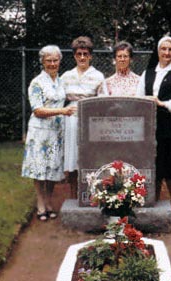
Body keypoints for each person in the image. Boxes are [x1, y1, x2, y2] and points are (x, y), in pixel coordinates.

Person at [137, 36, 171, 221]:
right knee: (154, 166)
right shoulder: (148, 73)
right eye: (163, 49)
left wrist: (161, 103)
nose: (167, 53)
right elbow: (139, 98)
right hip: (151, 126)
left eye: (170, 50)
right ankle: (155, 202)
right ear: (158, 51)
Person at [22, 45, 75, 221]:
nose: (52, 63)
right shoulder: (37, 82)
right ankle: (40, 204)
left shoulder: (61, 81)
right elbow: (37, 110)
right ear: (43, 62)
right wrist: (62, 112)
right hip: (40, 132)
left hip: (56, 132)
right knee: (39, 168)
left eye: (55, 60)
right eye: (48, 60)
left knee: (52, 168)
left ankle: (49, 202)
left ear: (60, 61)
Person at [61, 36, 104, 198]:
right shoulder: (66, 76)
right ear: (74, 55)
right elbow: (59, 99)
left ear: (91, 55)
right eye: (79, 54)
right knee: (72, 158)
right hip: (70, 118)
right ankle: (73, 195)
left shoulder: (98, 76)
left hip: (90, 120)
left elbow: (102, 100)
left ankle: (89, 195)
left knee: (88, 157)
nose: (82, 57)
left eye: (85, 54)